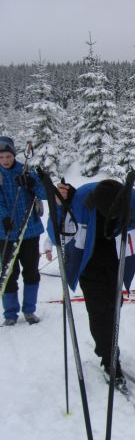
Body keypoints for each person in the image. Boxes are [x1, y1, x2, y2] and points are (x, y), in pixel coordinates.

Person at [51, 179, 135, 382]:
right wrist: (58, 208)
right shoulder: (80, 200)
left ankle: (109, 346)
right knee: (99, 311)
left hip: (117, 263)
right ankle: (109, 357)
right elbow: (55, 235)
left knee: (113, 307)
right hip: (89, 262)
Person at [0, 136, 46, 326]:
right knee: (8, 273)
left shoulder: (26, 171)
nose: (5, 160)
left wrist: (31, 183)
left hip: (29, 231)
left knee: (31, 271)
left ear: (14, 154)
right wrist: (4, 217)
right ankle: (10, 313)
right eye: (1, 157)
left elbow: (44, 194)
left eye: (8, 156)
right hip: (5, 233)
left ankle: (29, 310)